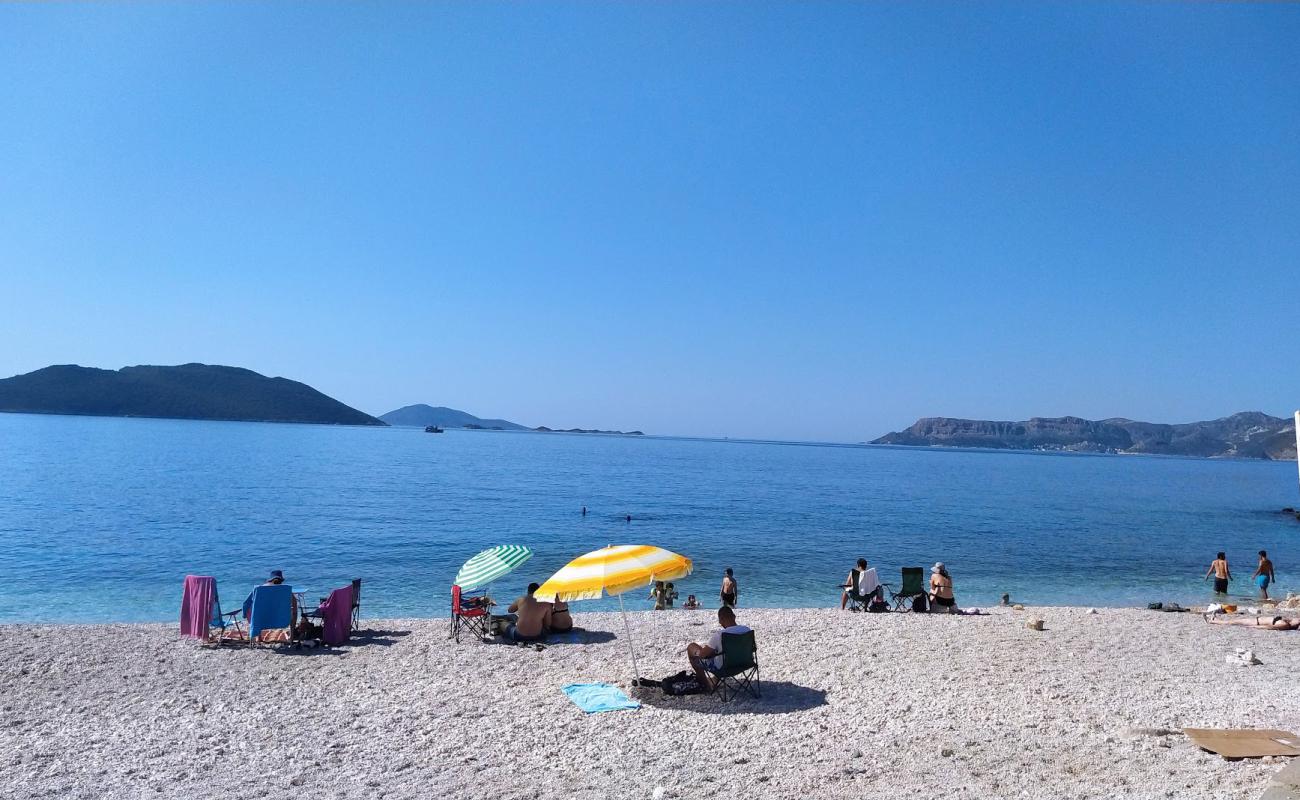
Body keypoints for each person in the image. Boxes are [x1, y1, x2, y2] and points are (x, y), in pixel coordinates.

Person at [686, 606, 752, 690]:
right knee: (720, 652)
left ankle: (707, 685)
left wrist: (698, 652)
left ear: (721, 619)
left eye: (720, 621)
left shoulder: (720, 635)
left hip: (725, 668)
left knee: (692, 647)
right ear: (734, 616)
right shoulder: (746, 630)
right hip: (744, 663)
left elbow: (703, 655)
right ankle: (714, 680)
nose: (720, 623)